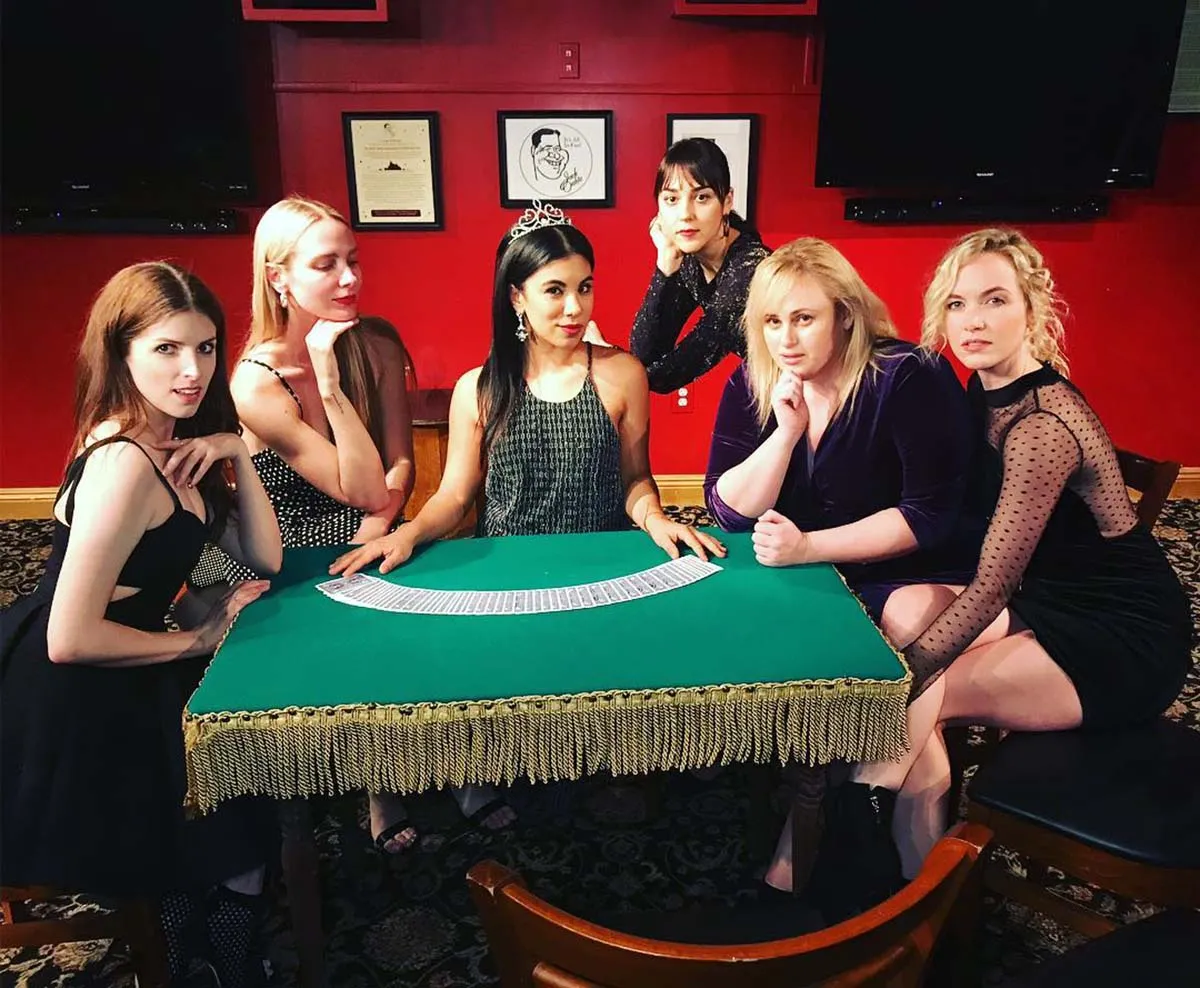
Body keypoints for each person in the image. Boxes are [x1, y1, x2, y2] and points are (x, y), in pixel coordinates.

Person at [823, 229, 1193, 917]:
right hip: (1048, 597)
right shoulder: (982, 387)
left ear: (1033, 308)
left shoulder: (1041, 426)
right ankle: (916, 887)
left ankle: (860, 848)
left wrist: (897, 680)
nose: (974, 321)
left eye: (995, 300)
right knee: (907, 621)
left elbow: (991, 586)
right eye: (958, 304)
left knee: (917, 697)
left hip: (1120, 637)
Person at [330, 201, 727, 825]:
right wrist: (409, 533)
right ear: (517, 297)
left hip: (599, 570)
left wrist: (654, 517)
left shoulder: (622, 374)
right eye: (555, 290)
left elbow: (635, 479)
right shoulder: (479, 387)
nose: (575, 308)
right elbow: (455, 495)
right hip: (508, 576)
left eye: (585, 288)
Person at [0, 262, 283, 986]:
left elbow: (263, 557)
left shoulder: (175, 438)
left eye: (206, 348)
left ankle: (196, 933)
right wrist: (195, 639)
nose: (192, 371)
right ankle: (206, 951)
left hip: (125, 653)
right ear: (121, 352)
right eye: (166, 349)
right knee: (234, 788)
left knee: (237, 770)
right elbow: (69, 638)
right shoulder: (125, 461)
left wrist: (238, 453)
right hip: (75, 689)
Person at [701, 237, 984, 898]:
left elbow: (928, 519)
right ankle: (917, 879)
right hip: (814, 575)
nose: (786, 339)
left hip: (916, 570)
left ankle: (813, 826)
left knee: (899, 636)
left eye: (804, 318)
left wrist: (809, 547)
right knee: (920, 737)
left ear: (845, 316)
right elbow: (728, 509)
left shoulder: (907, 374)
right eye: (772, 321)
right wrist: (785, 435)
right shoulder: (754, 379)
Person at [207, 195, 421, 856]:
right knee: (357, 630)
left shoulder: (377, 344)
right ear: (279, 277)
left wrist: (380, 524)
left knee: (436, 611)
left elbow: (400, 463)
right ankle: (370, 781)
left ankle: (430, 767)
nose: (350, 278)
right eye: (326, 265)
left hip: (372, 528)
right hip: (288, 549)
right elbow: (356, 483)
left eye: (353, 260)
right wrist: (327, 380)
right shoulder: (256, 381)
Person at [627, 137, 771, 392]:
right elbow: (645, 354)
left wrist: (610, 364)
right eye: (671, 199)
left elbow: (665, 377)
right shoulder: (692, 262)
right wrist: (665, 264)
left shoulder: (749, 270)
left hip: (830, 391)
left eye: (702, 197)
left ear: (727, 201)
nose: (685, 214)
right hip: (782, 390)